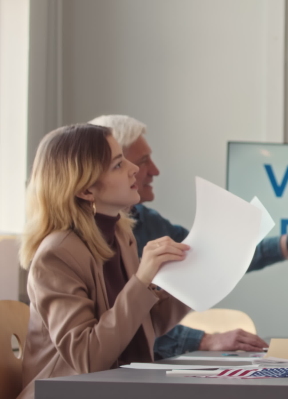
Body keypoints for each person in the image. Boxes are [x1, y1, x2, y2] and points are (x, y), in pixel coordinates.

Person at [89, 115, 288, 358]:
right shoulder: (76, 244)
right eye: (142, 161)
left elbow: (211, 256)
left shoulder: (146, 220)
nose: (154, 170)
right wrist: (204, 339)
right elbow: (117, 332)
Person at [17, 124, 191, 399]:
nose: (134, 168)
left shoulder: (121, 235)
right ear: (86, 190)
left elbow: (140, 326)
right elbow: (88, 359)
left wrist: (194, 279)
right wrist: (142, 280)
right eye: (118, 164)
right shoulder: (56, 255)